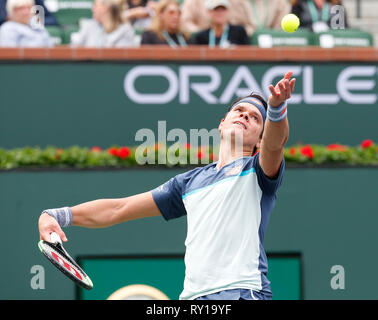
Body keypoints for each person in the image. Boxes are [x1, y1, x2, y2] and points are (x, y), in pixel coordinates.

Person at [38, 71, 296, 300]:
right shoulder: (188, 183)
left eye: (254, 118)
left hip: (243, 292)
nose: (244, 116)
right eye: (239, 111)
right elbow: (119, 208)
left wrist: (276, 110)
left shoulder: (258, 172)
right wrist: (58, 215)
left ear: (259, 141)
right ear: (222, 123)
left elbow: (275, 143)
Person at [181, 0, 290, 37]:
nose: (219, 12)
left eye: (222, 9)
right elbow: (185, 22)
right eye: (215, 10)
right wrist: (205, 33)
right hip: (203, 42)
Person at [70, 0, 137, 48]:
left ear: (105, 8)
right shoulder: (88, 25)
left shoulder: (125, 30)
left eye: (95, 5)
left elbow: (122, 57)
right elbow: (74, 48)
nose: (93, 9)